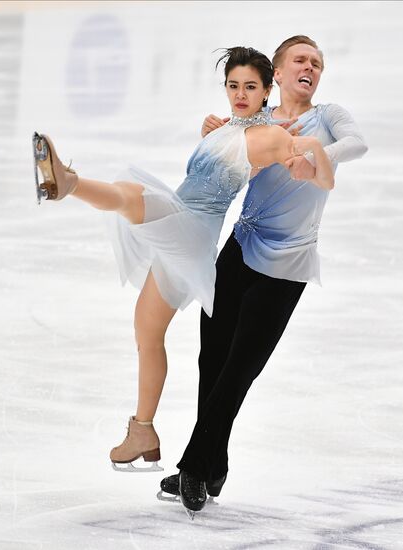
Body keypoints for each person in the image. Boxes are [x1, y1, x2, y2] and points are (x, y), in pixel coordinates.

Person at [32, 45, 333, 476]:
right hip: (180, 221)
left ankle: (68, 183)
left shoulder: (273, 135)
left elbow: (310, 171)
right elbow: (223, 145)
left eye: (251, 86)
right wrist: (219, 128)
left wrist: (317, 156)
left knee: (131, 193)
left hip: (192, 229)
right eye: (233, 86)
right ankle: (143, 430)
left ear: (268, 89)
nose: (240, 94)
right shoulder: (227, 126)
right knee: (147, 329)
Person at [159, 35, 368, 517]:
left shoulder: (328, 116)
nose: (310, 67)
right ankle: (213, 466)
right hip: (239, 249)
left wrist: (316, 155)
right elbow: (222, 173)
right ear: (277, 72)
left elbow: (357, 144)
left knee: (239, 368)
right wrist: (214, 133)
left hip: (288, 263)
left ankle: (194, 466)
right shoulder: (254, 121)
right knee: (211, 361)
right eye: (300, 59)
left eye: (317, 62)